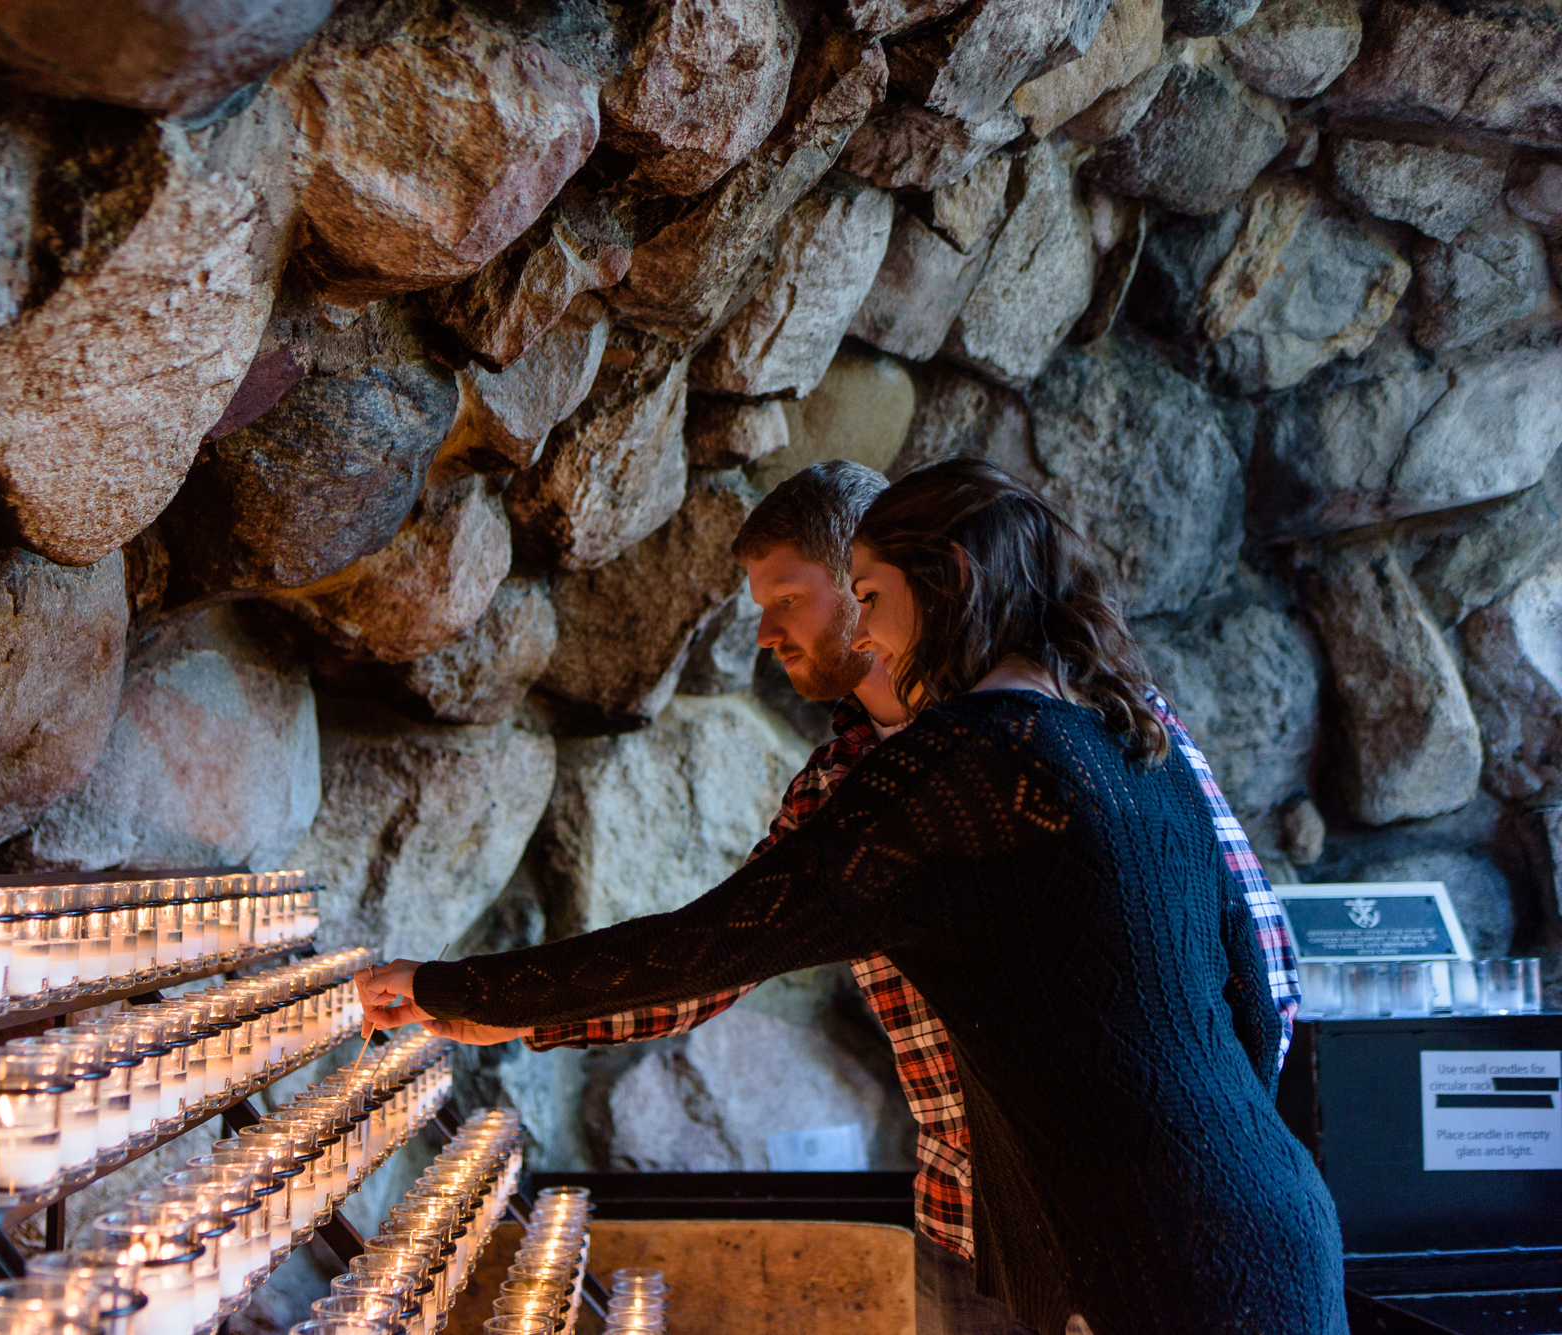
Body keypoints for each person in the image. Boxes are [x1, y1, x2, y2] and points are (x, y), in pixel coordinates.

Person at [358, 459, 1345, 1335]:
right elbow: (1255, 1003)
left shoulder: (956, 760)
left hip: (1149, 1250)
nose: (865, 633)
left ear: (948, 581)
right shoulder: (1128, 734)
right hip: (1269, 1209)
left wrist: (458, 992)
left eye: (866, 598)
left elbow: (706, 947)